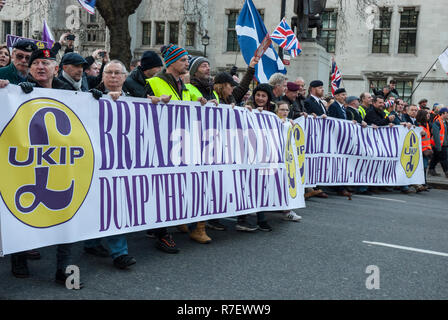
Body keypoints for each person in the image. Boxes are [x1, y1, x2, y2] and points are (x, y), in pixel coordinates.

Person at [1, 48, 82, 288]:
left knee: (67, 215)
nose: (40, 67)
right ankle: (19, 258)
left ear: (56, 69)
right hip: (28, 163)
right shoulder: (16, 89)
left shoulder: (69, 92)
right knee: (24, 212)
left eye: (45, 62)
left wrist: (98, 99)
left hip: (62, 163)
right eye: (35, 62)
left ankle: (63, 269)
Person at [146, 44, 212, 245]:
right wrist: (153, 100)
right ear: (172, 62)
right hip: (160, 143)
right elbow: (140, 104)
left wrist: (201, 101)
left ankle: (182, 224)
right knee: (162, 189)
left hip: (179, 143)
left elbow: (188, 103)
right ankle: (162, 233)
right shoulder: (154, 82)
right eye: (183, 60)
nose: (187, 63)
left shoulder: (183, 85)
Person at [83, 60, 138, 270]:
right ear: (102, 76)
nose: (113, 76)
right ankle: (91, 242)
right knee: (96, 203)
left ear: (125, 77)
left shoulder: (135, 100)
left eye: (117, 73)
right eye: (109, 73)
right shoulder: (88, 96)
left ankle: (119, 253)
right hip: (95, 160)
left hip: (120, 162)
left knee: (115, 205)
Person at [275, 100, 303, 222]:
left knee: (287, 182)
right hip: (275, 157)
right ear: (276, 110)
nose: (285, 112)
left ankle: (287, 210)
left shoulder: (288, 122)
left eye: (287, 110)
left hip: (287, 158)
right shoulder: (272, 120)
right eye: (282, 109)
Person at [428, 108, 448, 178]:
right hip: (440, 145)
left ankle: (431, 169)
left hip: (442, 144)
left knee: (436, 158)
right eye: (447, 113)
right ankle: (446, 172)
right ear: (443, 113)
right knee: (444, 159)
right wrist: (438, 146)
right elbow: (436, 135)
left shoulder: (443, 122)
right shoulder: (437, 122)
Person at [416, 109, 432, 191]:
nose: (428, 115)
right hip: (421, 150)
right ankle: (422, 183)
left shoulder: (427, 125)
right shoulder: (419, 126)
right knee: (423, 167)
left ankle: (424, 183)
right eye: (427, 114)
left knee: (424, 167)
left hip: (426, 150)